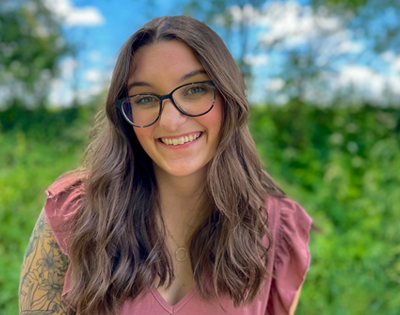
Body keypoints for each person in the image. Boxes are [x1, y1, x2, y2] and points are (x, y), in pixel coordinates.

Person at [19, 15, 312, 315]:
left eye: (195, 90)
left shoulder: (278, 227)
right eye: (146, 98)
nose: (171, 121)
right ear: (125, 113)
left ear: (229, 96)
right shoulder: (75, 212)